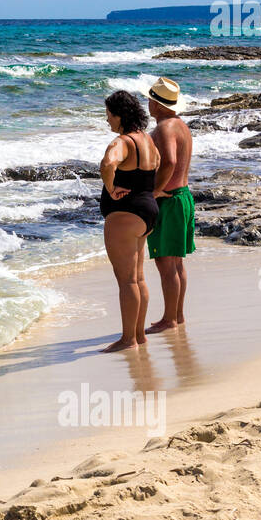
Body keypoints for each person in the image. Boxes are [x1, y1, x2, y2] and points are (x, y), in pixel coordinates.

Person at [98, 90, 161, 353]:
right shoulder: (147, 141)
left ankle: (128, 339)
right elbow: (157, 166)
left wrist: (111, 189)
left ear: (120, 115)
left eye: (109, 115)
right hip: (148, 212)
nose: (108, 121)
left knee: (126, 281)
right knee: (138, 278)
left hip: (125, 214)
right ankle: (138, 335)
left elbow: (107, 164)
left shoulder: (122, 142)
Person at [143, 77, 195, 333]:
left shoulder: (165, 127)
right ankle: (178, 315)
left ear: (157, 104)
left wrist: (154, 191)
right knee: (176, 263)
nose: (148, 103)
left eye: (150, 99)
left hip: (171, 200)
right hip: (183, 196)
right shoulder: (180, 125)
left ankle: (169, 319)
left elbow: (170, 162)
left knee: (165, 263)